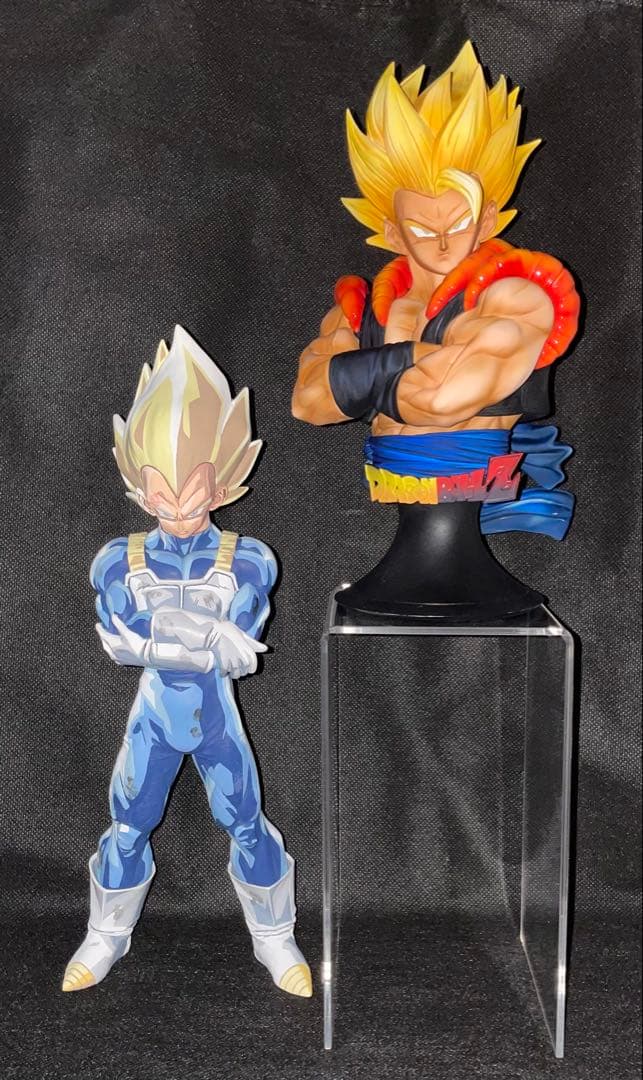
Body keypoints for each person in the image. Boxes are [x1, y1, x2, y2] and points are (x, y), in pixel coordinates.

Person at [62, 325, 312, 998]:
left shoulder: (247, 558)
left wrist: (164, 637)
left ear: (224, 483)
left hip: (212, 716)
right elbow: (123, 633)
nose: (176, 507)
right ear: (137, 485)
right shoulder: (119, 559)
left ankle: (274, 935)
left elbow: (237, 648)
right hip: (155, 715)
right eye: (160, 493)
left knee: (247, 822)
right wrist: (198, 631)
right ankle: (106, 933)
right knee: (127, 824)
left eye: (192, 492)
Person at [292, 43, 580, 619]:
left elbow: (443, 400)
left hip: (469, 491)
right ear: (392, 231)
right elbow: (307, 403)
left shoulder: (518, 295)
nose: (445, 243)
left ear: (489, 218)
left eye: (461, 221)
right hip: (396, 494)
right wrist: (420, 354)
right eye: (423, 228)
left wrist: (362, 374)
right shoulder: (359, 308)